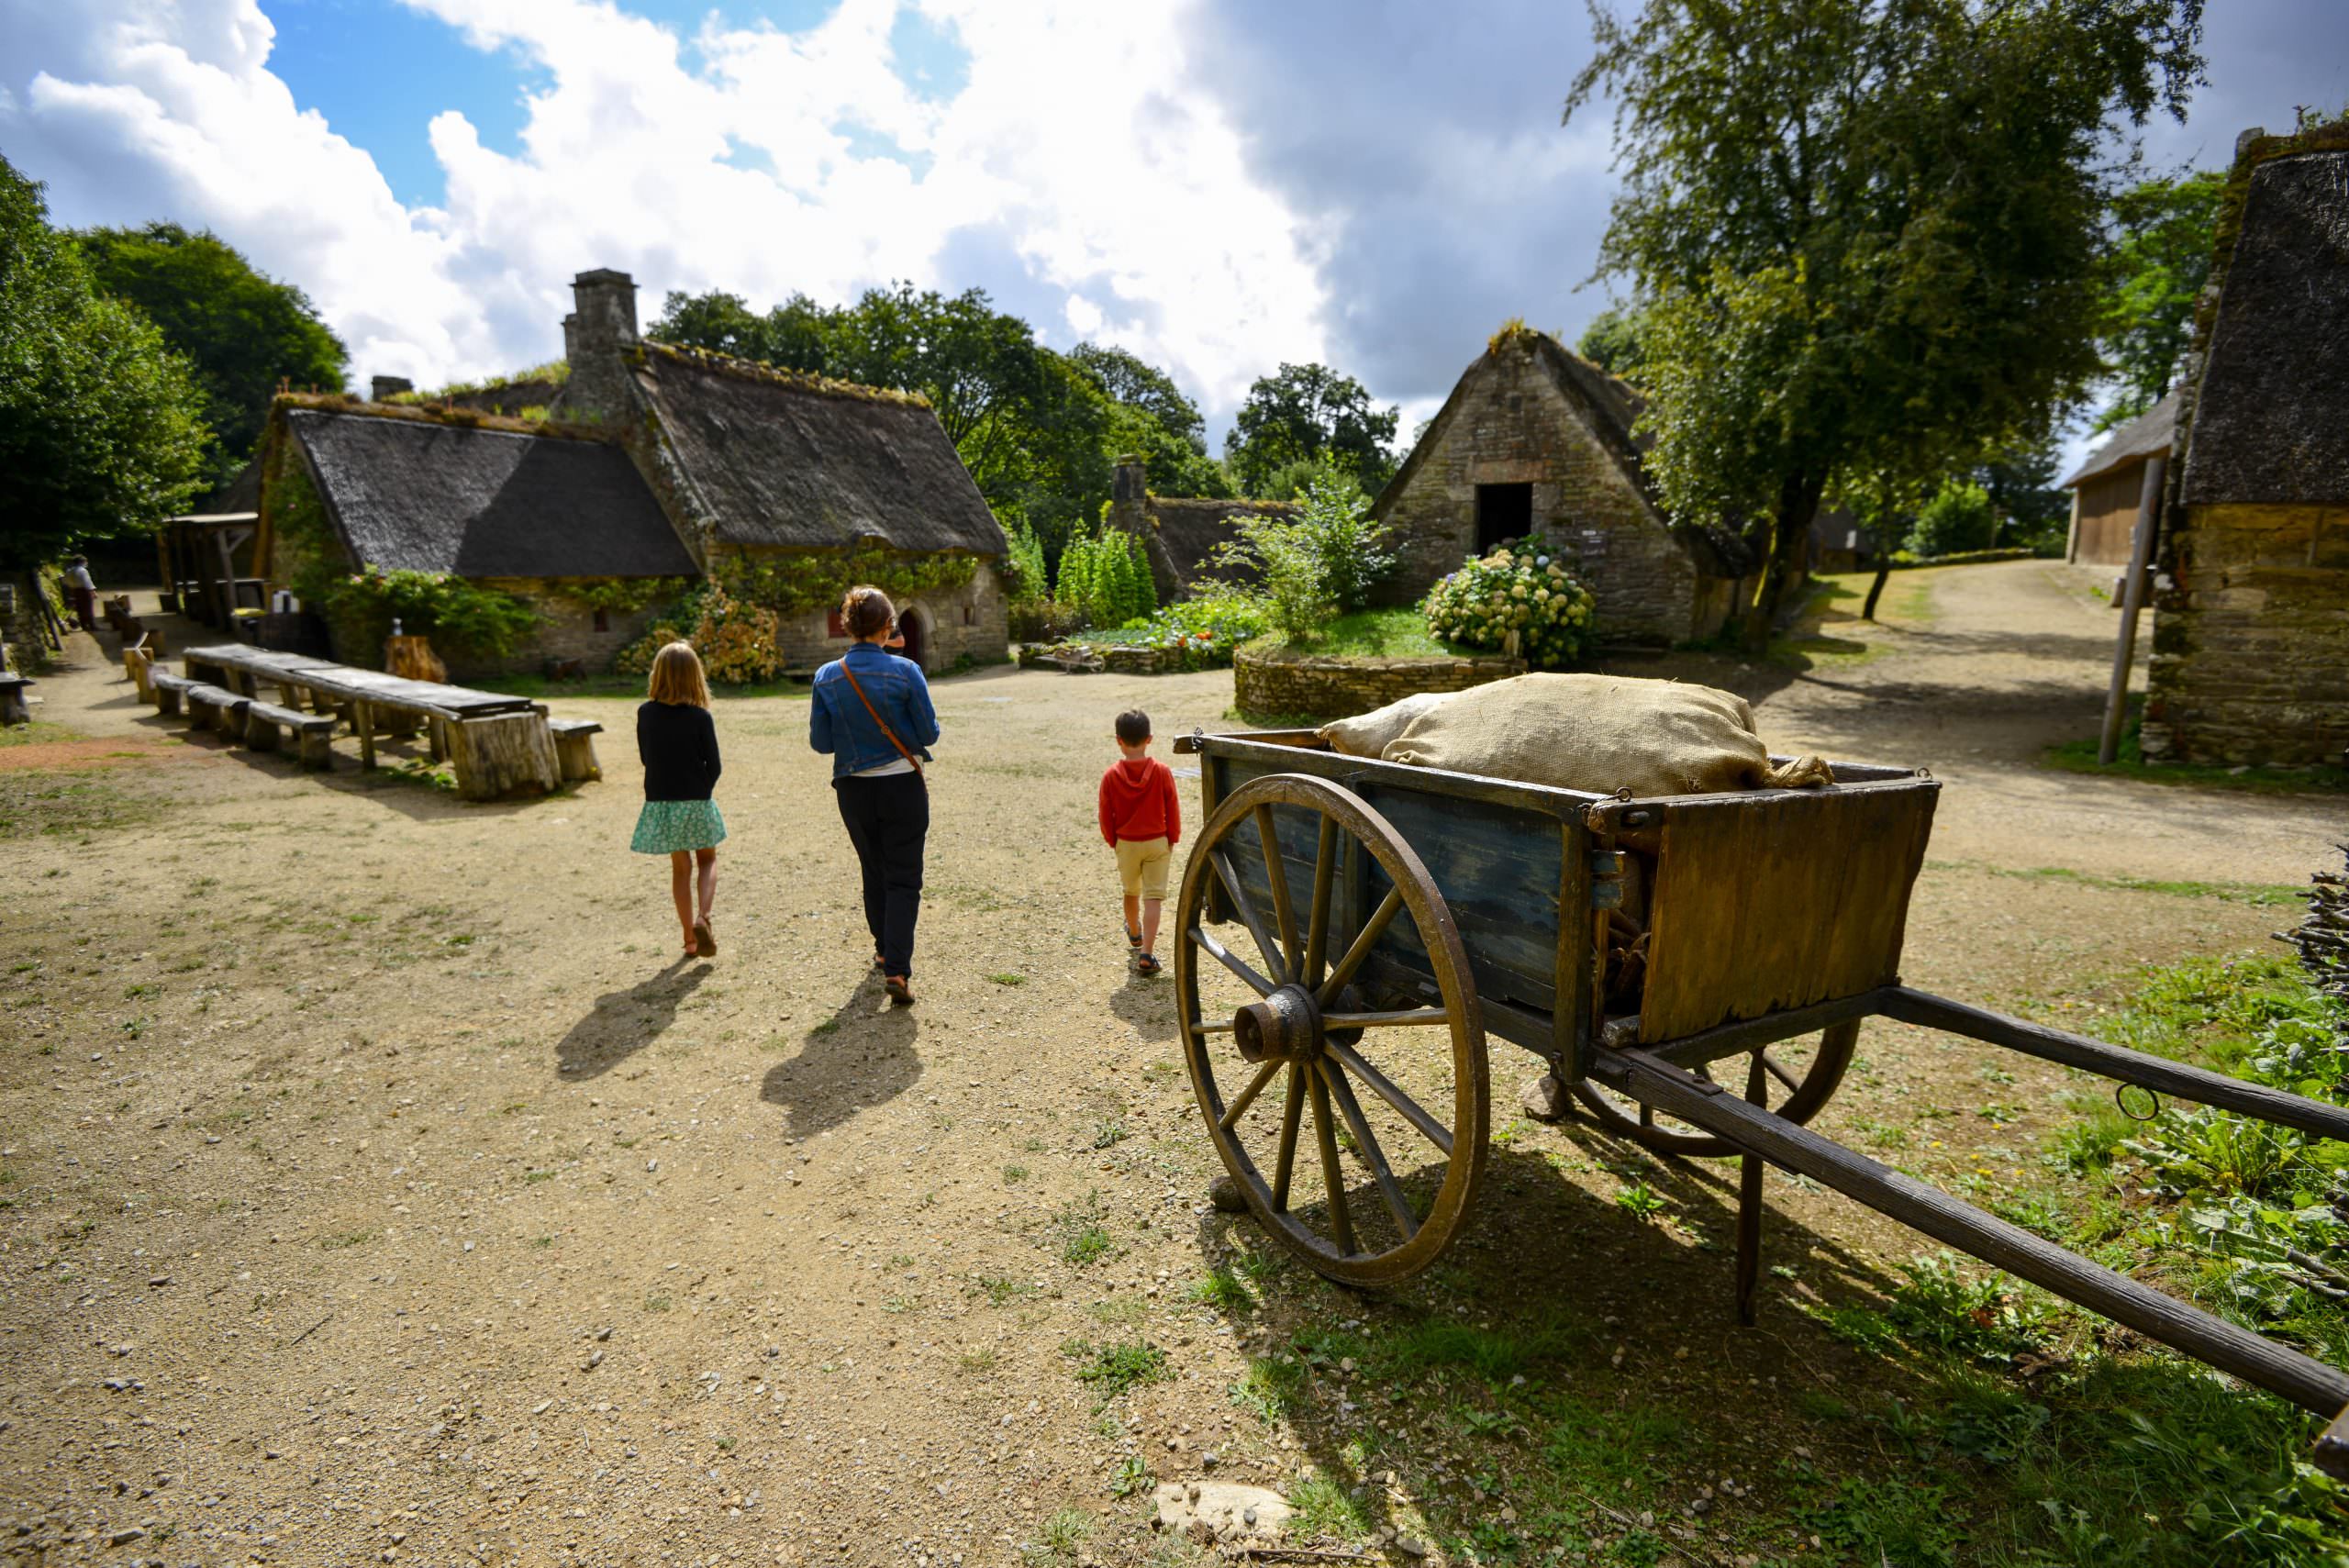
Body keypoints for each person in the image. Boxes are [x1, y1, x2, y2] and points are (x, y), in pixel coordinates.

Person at [810, 585, 938, 1006]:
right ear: (888, 627)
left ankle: (883, 948)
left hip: (853, 787)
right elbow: (928, 733)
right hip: (901, 783)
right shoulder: (907, 671)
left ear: (847, 627)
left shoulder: (827, 676)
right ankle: (898, 969)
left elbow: (821, 743)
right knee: (904, 877)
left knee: (873, 867)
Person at [630, 641, 726, 959]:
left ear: (658, 674)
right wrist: (703, 792)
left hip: (661, 800)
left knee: (680, 869)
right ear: (694, 676)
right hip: (696, 799)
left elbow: (647, 758)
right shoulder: (700, 717)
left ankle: (689, 939)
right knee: (708, 860)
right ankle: (704, 917)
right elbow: (714, 766)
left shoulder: (646, 713)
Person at [1097, 708, 1181, 977]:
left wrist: (1113, 840)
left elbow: (1104, 813)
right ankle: (1146, 952)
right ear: (1150, 739)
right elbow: (1173, 807)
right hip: (1157, 840)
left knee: (1131, 891)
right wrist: (1173, 838)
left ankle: (1134, 932)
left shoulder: (1111, 775)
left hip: (1127, 842)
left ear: (1118, 740)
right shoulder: (1162, 771)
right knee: (1154, 897)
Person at [63, 557, 97, 634]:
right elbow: (87, 582)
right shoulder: (83, 570)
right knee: (88, 607)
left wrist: (72, 586)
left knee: (80, 608)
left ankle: (84, 625)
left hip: (75, 590)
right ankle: (92, 625)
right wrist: (93, 591)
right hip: (85, 590)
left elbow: (65, 581)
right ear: (82, 562)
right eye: (86, 562)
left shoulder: (70, 571)